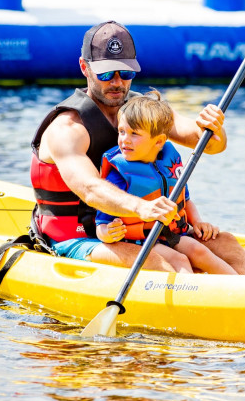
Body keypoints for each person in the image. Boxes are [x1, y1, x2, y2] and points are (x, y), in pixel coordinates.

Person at [30, 20, 245, 274]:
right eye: (106, 74)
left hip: (145, 228)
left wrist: (215, 128)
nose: (117, 83)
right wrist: (142, 207)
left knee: (224, 244)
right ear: (85, 67)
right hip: (78, 237)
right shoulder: (68, 128)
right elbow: (90, 189)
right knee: (161, 264)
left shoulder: (146, 111)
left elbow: (211, 145)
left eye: (126, 73)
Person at [94, 91, 237, 275]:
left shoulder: (168, 162)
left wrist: (198, 222)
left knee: (199, 250)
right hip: (140, 240)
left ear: (159, 141)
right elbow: (101, 223)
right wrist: (108, 232)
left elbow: (184, 199)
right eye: (121, 132)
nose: (125, 140)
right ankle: (193, 297)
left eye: (134, 133)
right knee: (180, 259)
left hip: (171, 233)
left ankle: (240, 287)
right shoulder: (119, 174)